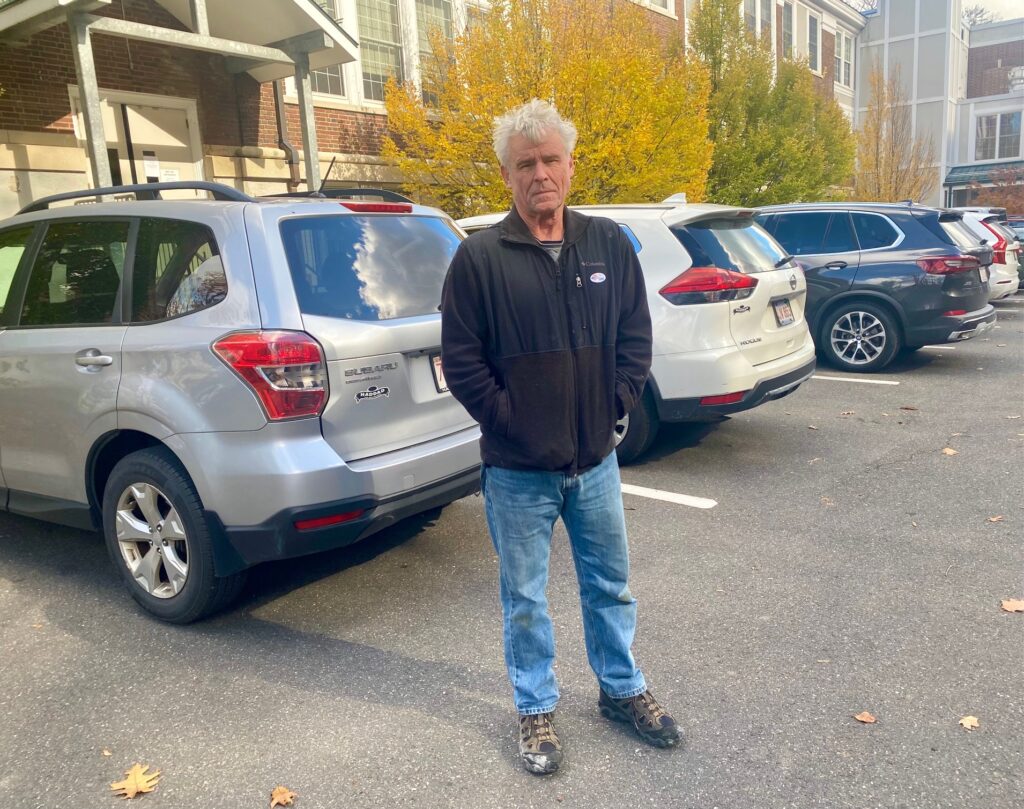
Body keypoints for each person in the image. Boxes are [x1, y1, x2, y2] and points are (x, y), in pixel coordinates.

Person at [440, 99, 680, 776]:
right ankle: (535, 708)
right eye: (525, 164)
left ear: (570, 166)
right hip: (517, 470)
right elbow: (461, 360)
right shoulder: (479, 259)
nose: (539, 172)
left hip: (595, 462)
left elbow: (636, 338)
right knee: (525, 598)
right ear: (508, 176)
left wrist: (612, 406)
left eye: (550, 159)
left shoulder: (606, 244)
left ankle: (621, 688)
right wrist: (512, 419)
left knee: (611, 584)